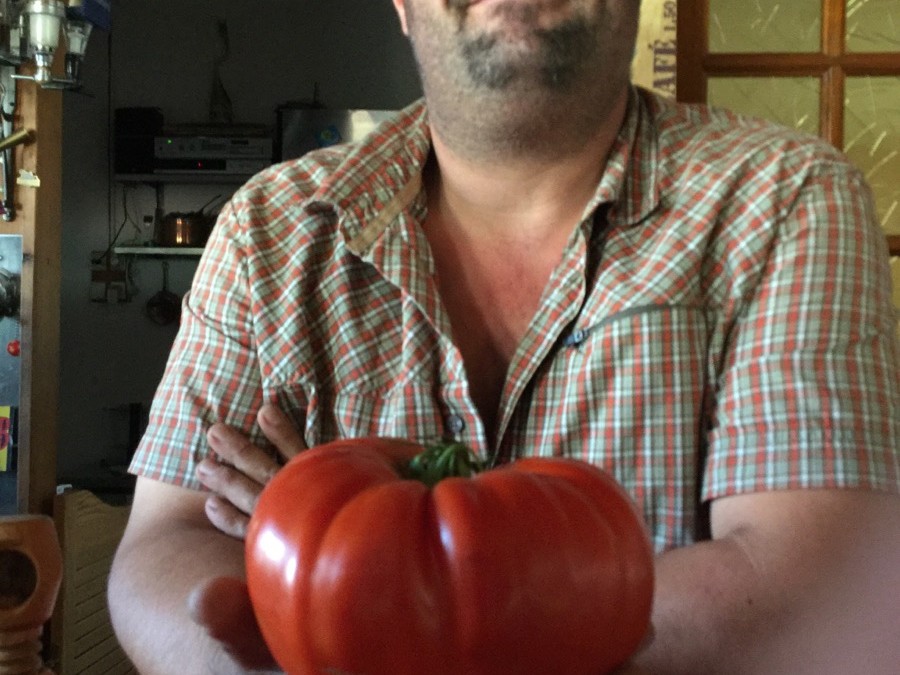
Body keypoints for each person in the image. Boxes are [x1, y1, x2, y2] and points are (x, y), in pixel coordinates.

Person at [108, 0, 900, 673]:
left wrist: (330, 574)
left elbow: (809, 591)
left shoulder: (790, 199)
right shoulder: (266, 229)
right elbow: (159, 553)